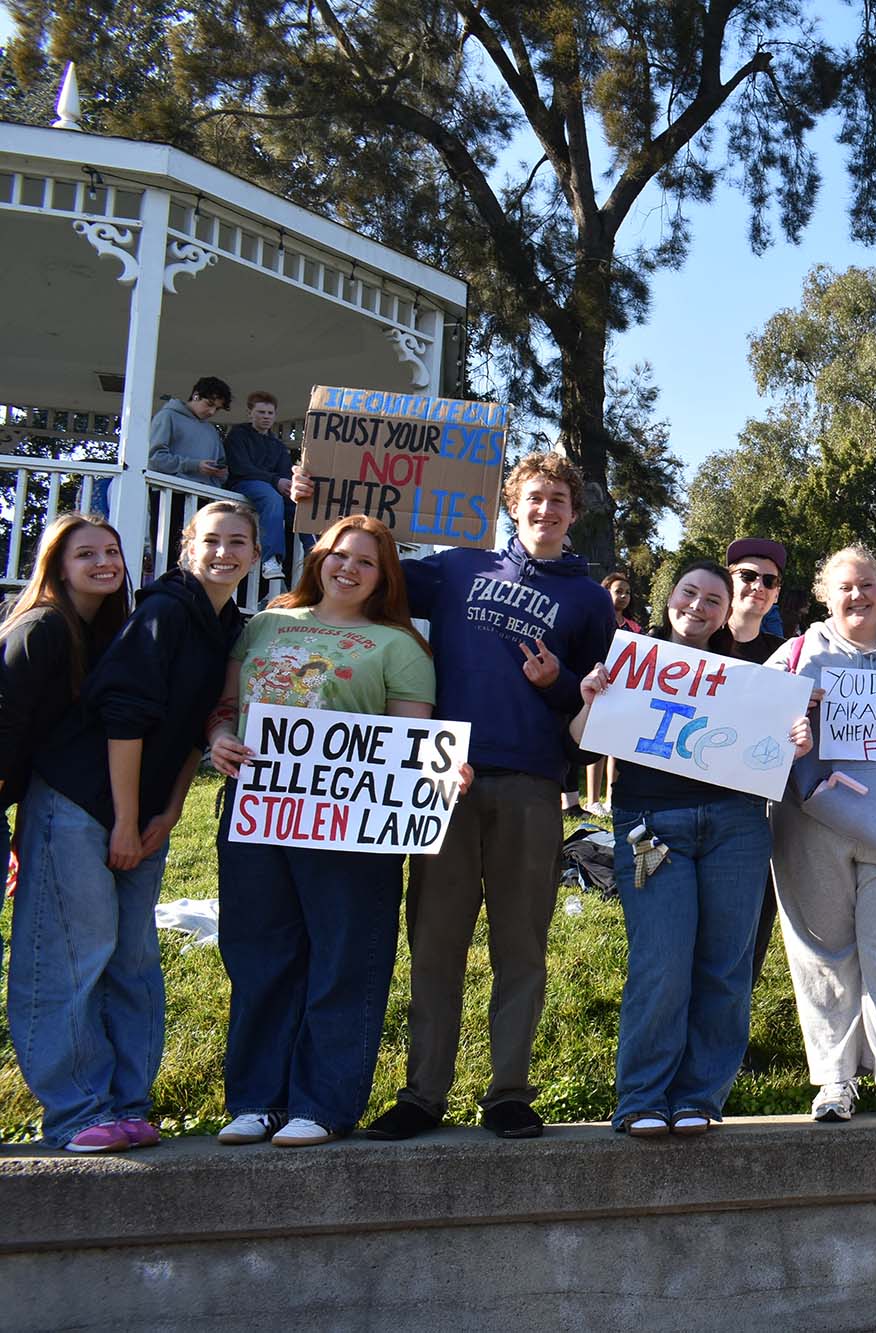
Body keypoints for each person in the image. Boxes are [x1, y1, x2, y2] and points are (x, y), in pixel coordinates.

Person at [307, 452, 618, 1141]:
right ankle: (423, 1093)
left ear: (573, 513)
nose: (547, 510)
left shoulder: (591, 600)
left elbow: (599, 704)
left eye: (560, 501)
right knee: (435, 942)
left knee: (521, 946)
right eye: (535, 497)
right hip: (443, 778)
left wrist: (557, 682)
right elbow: (363, 573)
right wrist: (314, 513)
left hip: (534, 784)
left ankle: (509, 1090)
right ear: (513, 504)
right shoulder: (456, 567)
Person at [9, 500, 254, 1150]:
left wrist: (168, 812)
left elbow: (196, 730)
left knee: (135, 959)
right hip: (80, 802)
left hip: (145, 813)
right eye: (212, 539)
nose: (224, 551)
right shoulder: (165, 610)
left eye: (238, 541)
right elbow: (126, 715)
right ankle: (76, 1112)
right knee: (71, 956)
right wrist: (123, 820)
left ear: (256, 553)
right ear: (186, 546)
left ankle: (127, 1103)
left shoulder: (231, 626)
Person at [205, 515, 439, 1146]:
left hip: (350, 827)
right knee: (260, 955)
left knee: (345, 960)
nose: (347, 568)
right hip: (258, 813)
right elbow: (224, 706)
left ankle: (323, 1105)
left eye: (365, 561)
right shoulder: (266, 622)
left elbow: (408, 746)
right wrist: (220, 738)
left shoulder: (401, 647)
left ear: (383, 575)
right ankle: (258, 1099)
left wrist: (442, 770)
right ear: (317, 559)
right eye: (338, 554)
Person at [569, 559, 811, 1137]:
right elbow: (581, 743)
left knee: (726, 967)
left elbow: (775, 751)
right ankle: (643, 1097)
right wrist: (590, 698)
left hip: (737, 826)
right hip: (650, 827)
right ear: (668, 597)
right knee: (661, 963)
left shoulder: (755, 667)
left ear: (728, 612)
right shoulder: (631, 658)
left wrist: (797, 741)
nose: (698, 607)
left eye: (713, 600)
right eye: (689, 594)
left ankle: (701, 1095)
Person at [768, 545, 876, 1125]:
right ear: (825, 594)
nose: (858, 595)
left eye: (867, 583)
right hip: (814, 829)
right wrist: (788, 719)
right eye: (845, 586)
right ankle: (835, 1083)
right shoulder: (794, 657)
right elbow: (750, 731)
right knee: (824, 957)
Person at [1, 515, 130, 860]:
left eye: (112, 551)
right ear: (59, 568)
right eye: (86, 554)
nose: (104, 562)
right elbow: (5, 721)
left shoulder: (100, 635)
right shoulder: (41, 627)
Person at [715, 537, 790, 993]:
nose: (757, 586)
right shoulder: (690, 642)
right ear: (729, 580)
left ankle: (730, 1020)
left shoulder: (788, 656)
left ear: (777, 593)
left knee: (748, 929)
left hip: (753, 813)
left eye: (769, 580)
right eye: (747, 575)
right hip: (689, 808)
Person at [580, 571, 646, 817]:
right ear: (605, 591)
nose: (624, 596)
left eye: (627, 592)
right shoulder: (594, 620)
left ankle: (611, 798)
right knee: (593, 744)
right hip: (597, 687)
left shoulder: (635, 627)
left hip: (625, 690)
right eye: (618, 591)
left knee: (615, 747)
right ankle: (592, 799)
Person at [223, 391, 296, 582]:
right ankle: (271, 559)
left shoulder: (277, 445)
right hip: (243, 484)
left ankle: (314, 555)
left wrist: (289, 486)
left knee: (300, 505)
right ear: (250, 413)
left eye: (270, 413)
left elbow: (284, 474)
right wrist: (275, 481)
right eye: (261, 412)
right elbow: (241, 468)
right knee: (272, 497)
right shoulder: (238, 435)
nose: (266, 417)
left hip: (270, 487)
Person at [147, 376, 232, 484]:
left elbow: (221, 463)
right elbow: (155, 459)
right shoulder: (168, 416)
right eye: (209, 404)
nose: (212, 412)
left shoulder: (211, 430)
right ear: (196, 396)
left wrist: (221, 473)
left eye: (217, 408)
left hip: (205, 495)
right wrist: (195, 466)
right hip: (169, 492)